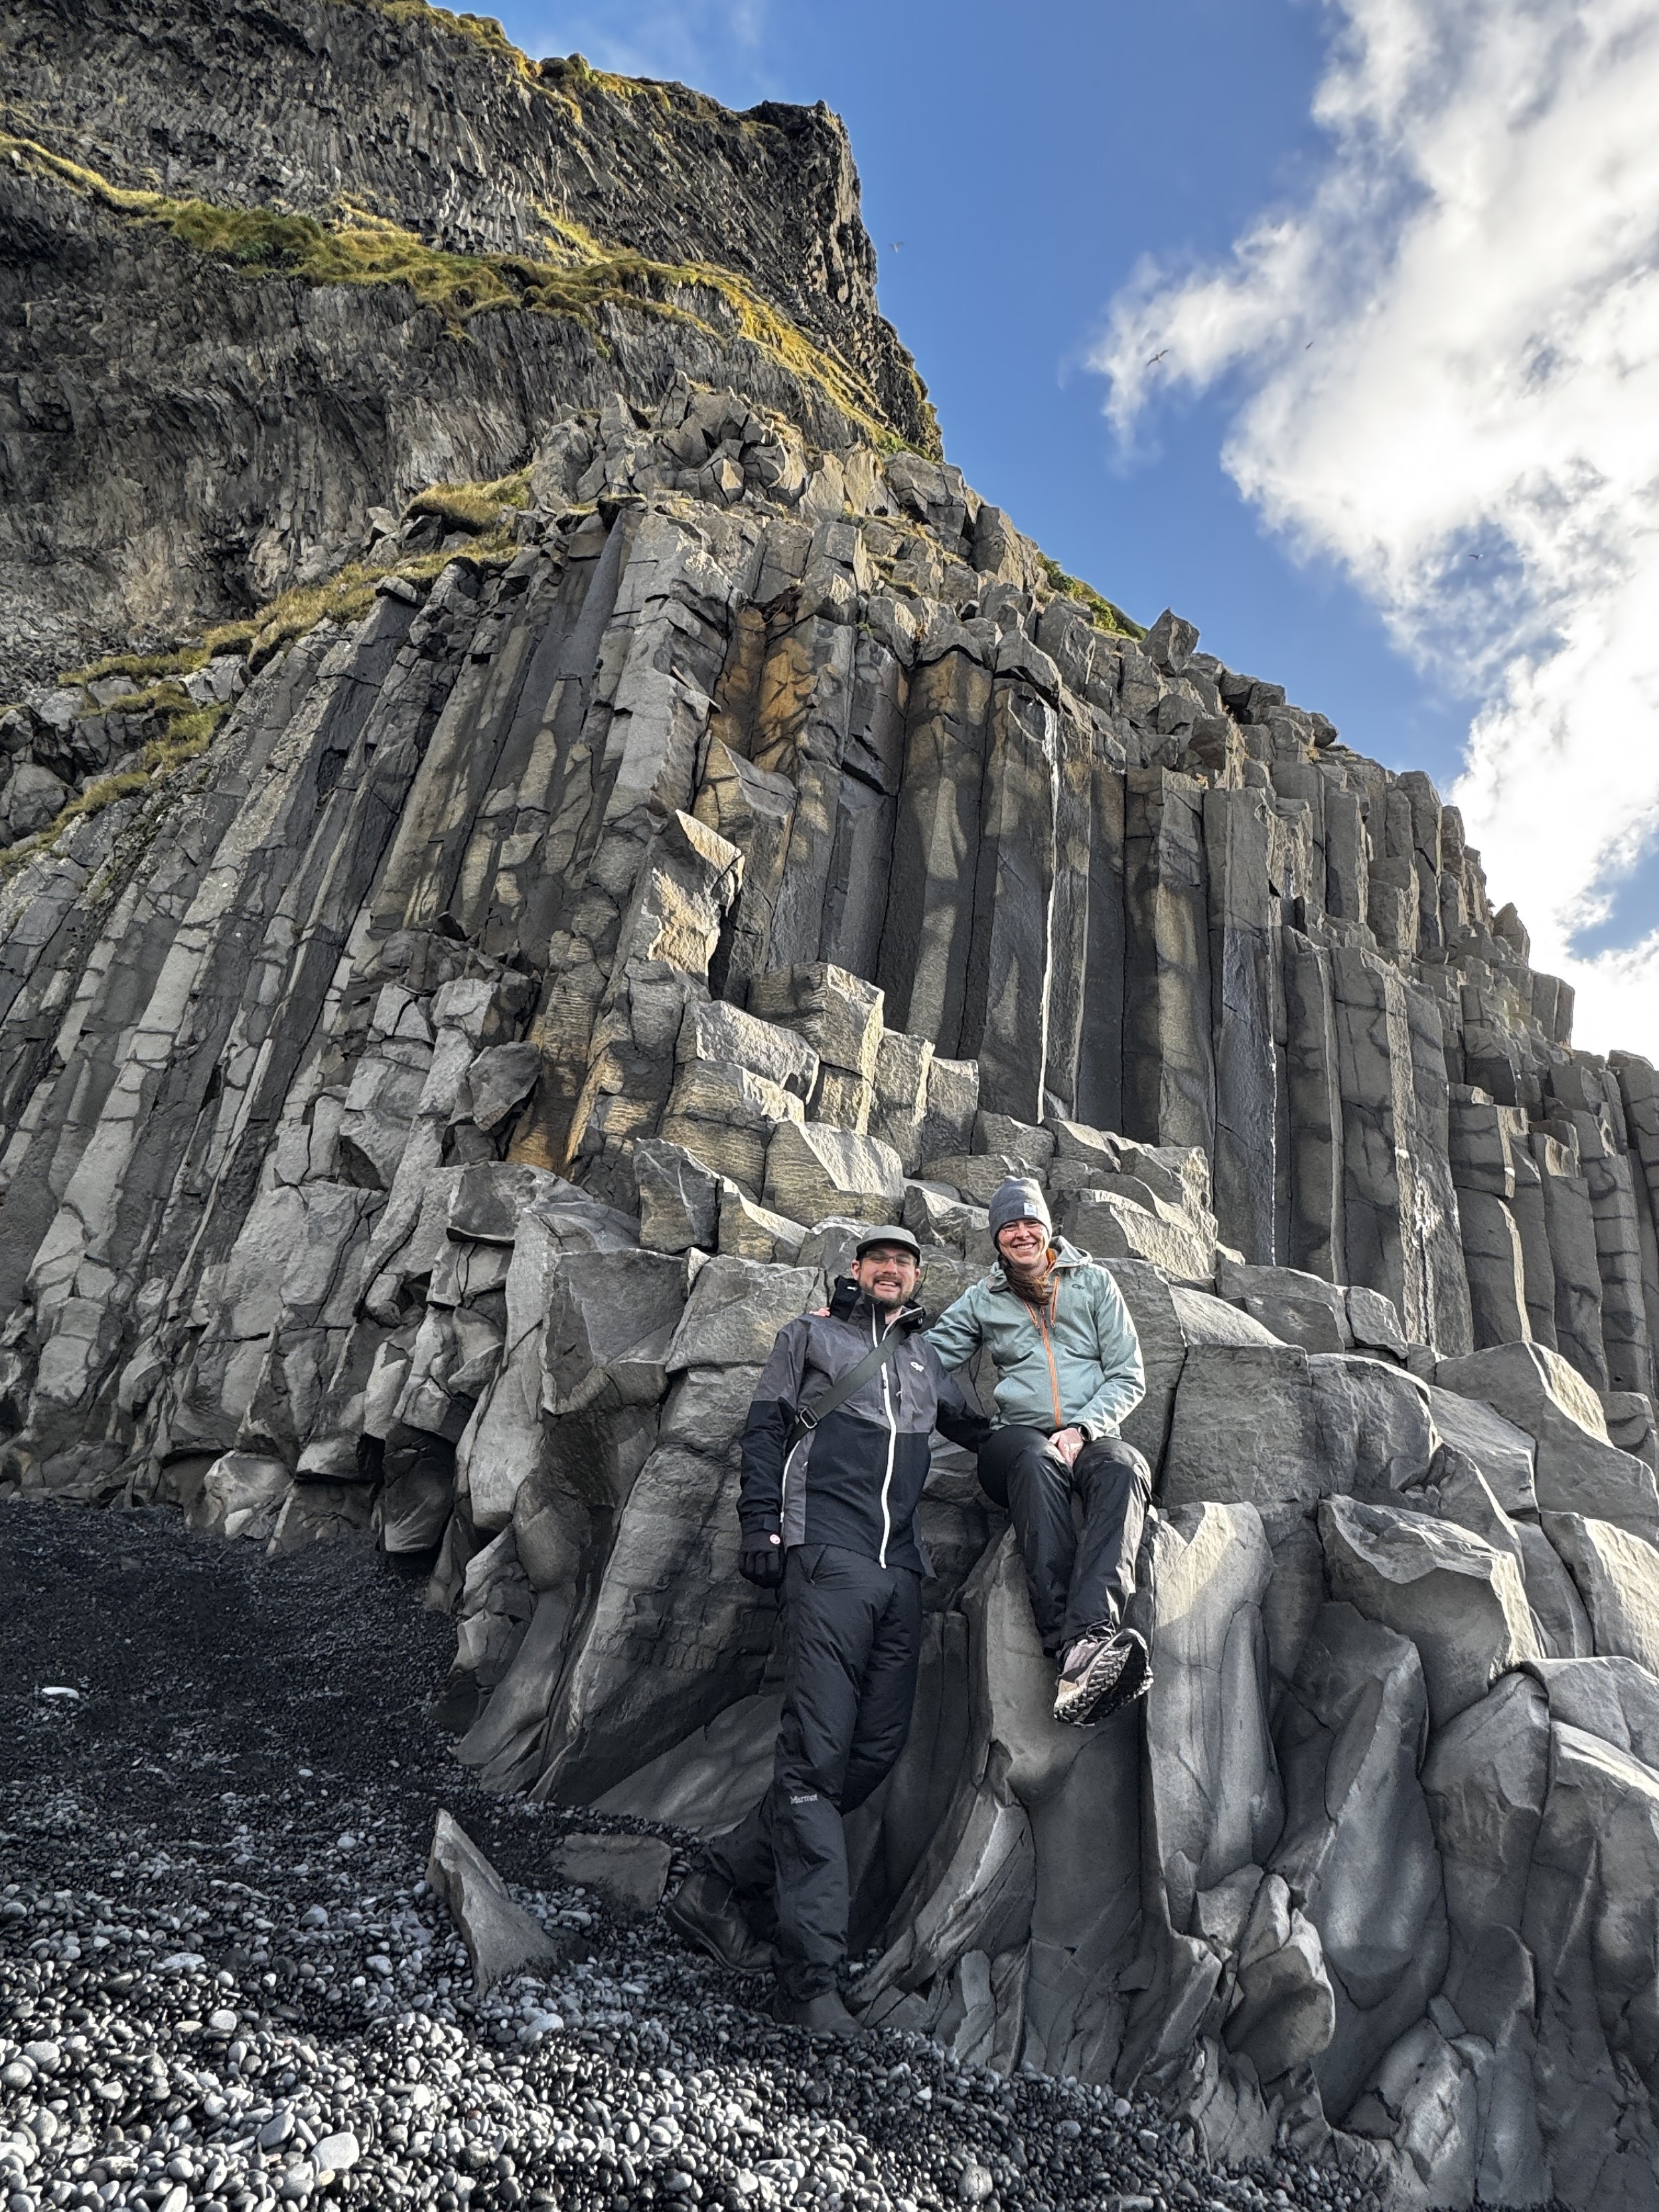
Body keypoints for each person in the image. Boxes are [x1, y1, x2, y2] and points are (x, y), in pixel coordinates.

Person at [665, 1225, 989, 2036]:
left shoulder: (923, 1362)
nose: (891, 1270)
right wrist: (760, 1527)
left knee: (872, 1753)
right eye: (879, 1260)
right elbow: (767, 1430)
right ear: (856, 1271)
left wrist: (1074, 1441)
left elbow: (984, 1431)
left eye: (905, 1263)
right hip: (827, 1559)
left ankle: (716, 1880)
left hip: (900, 1573)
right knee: (814, 1759)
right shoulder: (808, 1335)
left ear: (917, 1280)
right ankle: (808, 1977)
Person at [925, 1176, 1153, 1729]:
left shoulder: (1095, 1282)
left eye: (1031, 1222)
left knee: (1126, 1468)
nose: (1022, 1233)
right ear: (997, 1238)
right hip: (1015, 1442)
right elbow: (926, 1361)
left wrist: (1083, 1427)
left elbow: (1129, 1374)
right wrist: (973, 1431)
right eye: (1009, 1225)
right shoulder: (984, 1299)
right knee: (1036, 1460)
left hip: (1092, 1433)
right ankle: (1066, 1644)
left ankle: (1088, 1639)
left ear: (1048, 1228)